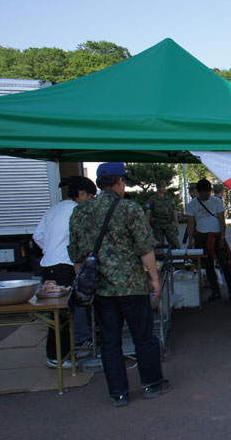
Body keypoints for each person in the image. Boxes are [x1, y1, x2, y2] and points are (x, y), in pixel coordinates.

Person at [68, 162, 171, 407]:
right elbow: (145, 248)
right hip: (132, 286)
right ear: (119, 182)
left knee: (110, 342)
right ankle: (152, 384)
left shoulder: (80, 212)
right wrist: (155, 279)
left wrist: (83, 282)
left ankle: (119, 393)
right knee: (143, 337)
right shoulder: (129, 209)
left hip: (100, 289)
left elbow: (75, 253)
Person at [33, 175, 96, 368]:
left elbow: (37, 235)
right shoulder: (77, 211)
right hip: (65, 266)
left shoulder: (53, 209)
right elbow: (82, 241)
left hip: (48, 265)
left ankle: (67, 349)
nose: (91, 201)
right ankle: (56, 356)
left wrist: (51, 248)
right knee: (65, 312)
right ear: (82, 193)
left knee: (58, 313)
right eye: (91, 197)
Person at [186, 179, 231, 301]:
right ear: (198, 192)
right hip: (202, 237)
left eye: (208, 193)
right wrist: (191, 241)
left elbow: (221, 220)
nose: (206, 195)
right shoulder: (192, 205)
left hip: (217, 235)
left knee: (225, 264)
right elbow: (191, 223)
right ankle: (215, 291)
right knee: (208, 265)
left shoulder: (216, 201)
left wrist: (223, 237)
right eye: (203, 193)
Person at [145, 180, 181, 249]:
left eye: (165, 186)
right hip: (157, 225)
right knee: (159, 245)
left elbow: (174, 210)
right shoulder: (152, 199)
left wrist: (176, 223)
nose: (165, 188)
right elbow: (148, 211)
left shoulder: (169, 198)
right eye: (163, 186)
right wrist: (147, 223)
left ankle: (178, 258)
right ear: (158, 188)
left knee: (175, 243)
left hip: (169, 224)